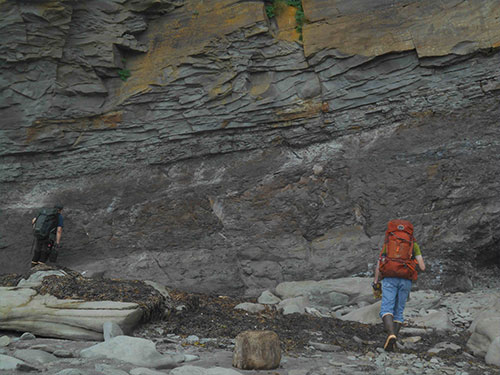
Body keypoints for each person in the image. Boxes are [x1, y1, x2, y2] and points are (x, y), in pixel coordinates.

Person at [372, 220, 425, 351]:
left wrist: (376, 281)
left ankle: (390, 335)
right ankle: (394, 340)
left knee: (386, 309)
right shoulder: (413, 243)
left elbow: (380, 262)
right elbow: (422, 267)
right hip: (406, 279)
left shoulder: (389, 241)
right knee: (399, 311)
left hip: (389, 277)